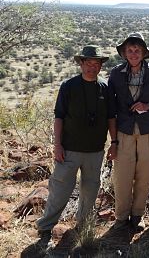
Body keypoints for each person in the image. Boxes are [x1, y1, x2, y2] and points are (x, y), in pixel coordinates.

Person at [36, 45, 109, 246]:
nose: (91, 67)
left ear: (100, 66)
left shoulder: (105, 88)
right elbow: (59, 116)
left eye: (96, 63)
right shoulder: (68, 86)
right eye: (88, 63)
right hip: (69, 149)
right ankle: (45, 227)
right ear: (81, 64)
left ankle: (82, 226)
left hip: (95, 150)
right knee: (59, 189)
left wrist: (116, 142)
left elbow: (112, 117)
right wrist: (57, 145)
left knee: (90, 190)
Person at [107, 32, 149, 231]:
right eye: (130, 50)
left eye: (137, 50)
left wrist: (148, 106)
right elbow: (110, 106)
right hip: (124, 130)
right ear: (124, 53)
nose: (133, 54)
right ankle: (121, 217)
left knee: (145, 174)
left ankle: (137, 215)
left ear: (143, 53)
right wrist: (112, 140)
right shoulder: (116, 74)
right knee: (122, 175)